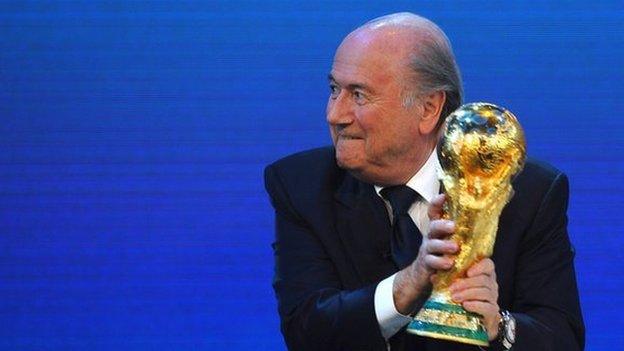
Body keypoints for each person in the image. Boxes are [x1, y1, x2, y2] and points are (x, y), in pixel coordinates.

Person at [264, 12, 584, 351]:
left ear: (429, 108)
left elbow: (562, 337)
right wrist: (407, 285)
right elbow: (306, 332)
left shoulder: (526, 191)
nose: (335, 114)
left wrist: (498, 326)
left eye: (358, 95)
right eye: (334, 90)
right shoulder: (301, 186)